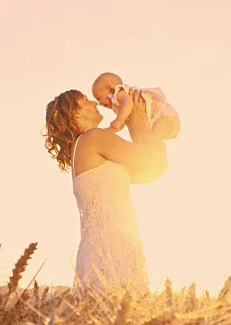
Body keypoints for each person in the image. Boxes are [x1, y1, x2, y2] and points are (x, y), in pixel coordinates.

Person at [43, 88, 168, 295]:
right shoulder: (94, 138)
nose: (95, 102)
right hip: (112, 246)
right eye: (85, 100)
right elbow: (155, 163)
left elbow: (150, 172)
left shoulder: (84, 147)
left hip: (101, 246)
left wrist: (132, 122)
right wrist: (140, 118)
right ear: (76, 113)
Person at [91, 72, 181, 140]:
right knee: (151, 140)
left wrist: (118, 120)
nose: (99, 103)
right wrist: (113, 129)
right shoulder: (119, 108)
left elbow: (128, 103)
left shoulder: (118, 93)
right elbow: (125, 121)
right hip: (155, 123)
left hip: (163, 116)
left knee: (153, 140)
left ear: (110, 89)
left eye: (99, 98)